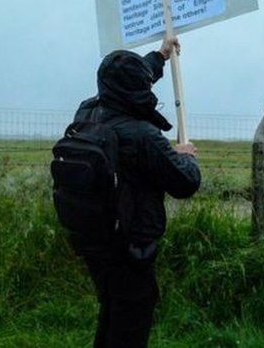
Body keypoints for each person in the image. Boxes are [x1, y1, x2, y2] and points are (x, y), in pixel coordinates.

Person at [69, 35, 200, 347]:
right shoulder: (142, 135)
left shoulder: (87, 115)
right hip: (130, 245)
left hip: (95, 238)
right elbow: (185, 183)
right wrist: (185, 156)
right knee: (131, 320)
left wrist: (160, 56)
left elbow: (125, 82)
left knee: (112, 309)